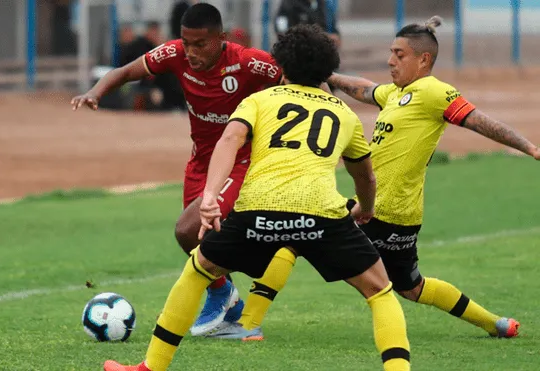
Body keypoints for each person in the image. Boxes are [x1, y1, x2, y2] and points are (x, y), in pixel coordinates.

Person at [207, 16, 539, 341]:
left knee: (291, 238)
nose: (390, 60)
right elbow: (365, 89)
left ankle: (248, 324)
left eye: (399, 54)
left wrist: (529, 147)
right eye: (391, 53)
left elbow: (481, 121)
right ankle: (495, 323)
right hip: (389, 210)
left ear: (424, 59)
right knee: (412, 287)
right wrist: (322, 72)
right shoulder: (397, 93)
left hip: (383, 208)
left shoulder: (435, 92)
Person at [103, 23, 412, 371]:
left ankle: (150, 368)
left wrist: (209, 197)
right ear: (326, 70)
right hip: (323, 214)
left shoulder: (260, 100)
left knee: (198, 270)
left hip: (258, 211)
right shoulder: (345, 114)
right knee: (380, 291)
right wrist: (365, 209)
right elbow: (365, 176)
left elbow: (229, 141)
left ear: (282, 66)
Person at [71, 3, 295, 337]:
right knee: (195, 240)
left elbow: (298, 77)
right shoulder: (173, 54)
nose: (190, 52)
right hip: (200, 162)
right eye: (185, 42)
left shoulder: (248, 61)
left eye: (199, 44)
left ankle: (225, 289)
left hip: (240, 160)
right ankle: (232, 308)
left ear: (221, 38)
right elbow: (126, 72)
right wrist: (95, 92)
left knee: (189, 229)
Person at [274, 0, 341, 48]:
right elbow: (283, 33)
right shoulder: (288, 4)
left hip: (321, 56)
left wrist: (336, 37)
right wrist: (323, 37)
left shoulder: (324, 5)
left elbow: (333, 28)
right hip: (298, 56)